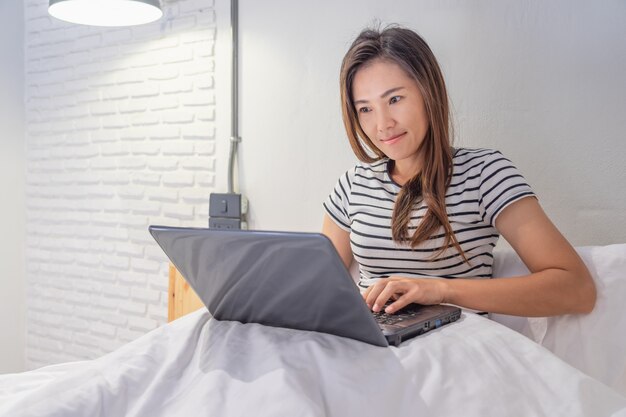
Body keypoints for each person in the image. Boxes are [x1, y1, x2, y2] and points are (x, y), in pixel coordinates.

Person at [322, 25, 596, 318]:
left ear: (429, 93)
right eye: (365, 109)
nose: (383, 124)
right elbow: (318, 288)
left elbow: (577, 289)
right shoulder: (353, 186)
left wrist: (441, 290)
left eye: (394, 99)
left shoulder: (485, 174)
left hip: (454, 348)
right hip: (369, 345)